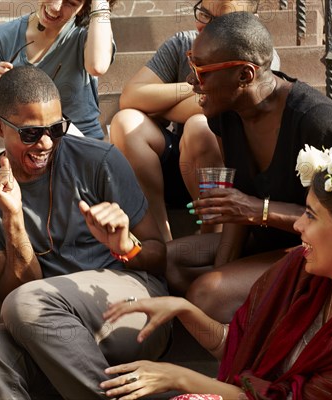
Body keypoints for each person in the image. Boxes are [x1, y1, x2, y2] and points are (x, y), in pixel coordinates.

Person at [0, 66, 170, 399]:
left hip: (127, 309)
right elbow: (15, 294)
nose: (46, 143)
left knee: (28, 303)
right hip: (47, 330)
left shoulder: (98, 161)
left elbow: (159, 259)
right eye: (30, 133)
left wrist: (126, 245)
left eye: (56, 129)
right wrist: (12, 219)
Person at [99, 147, 332, 400]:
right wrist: (183, 309)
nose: (299, 224)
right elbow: (238, 345)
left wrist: (178, 377)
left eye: (311, 216)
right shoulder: (299, 272)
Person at [166, 12, 332, 322]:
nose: (191, 81)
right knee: (167, 262)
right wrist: (224, 265)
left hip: (315, 250)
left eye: (202, 72)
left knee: (206, 295)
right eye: (192, 64)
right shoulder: (226, 113)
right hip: (261, 239)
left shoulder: (318, 122)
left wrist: (258, 209)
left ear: (245, 76)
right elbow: (239, 206)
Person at [110, 0, 280, 241]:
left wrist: (160, 106)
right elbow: (131, 97)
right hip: (174, 163)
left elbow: (211, 112)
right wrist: (197, 86)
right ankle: (160, 239)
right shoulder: (182, 44)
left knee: (199, 126)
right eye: (203, 14)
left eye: (221, 22)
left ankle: (211, 236)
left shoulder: (257, 53)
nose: (205, 27)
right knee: (125, 122)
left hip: (226, 166)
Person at [0, 0, 117, 139]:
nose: (55, 7)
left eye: (71, 2)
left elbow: (97, 66)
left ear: (83, 8)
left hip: (78, 144)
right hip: (28, 142)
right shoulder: (3, 35)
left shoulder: (89, 34)